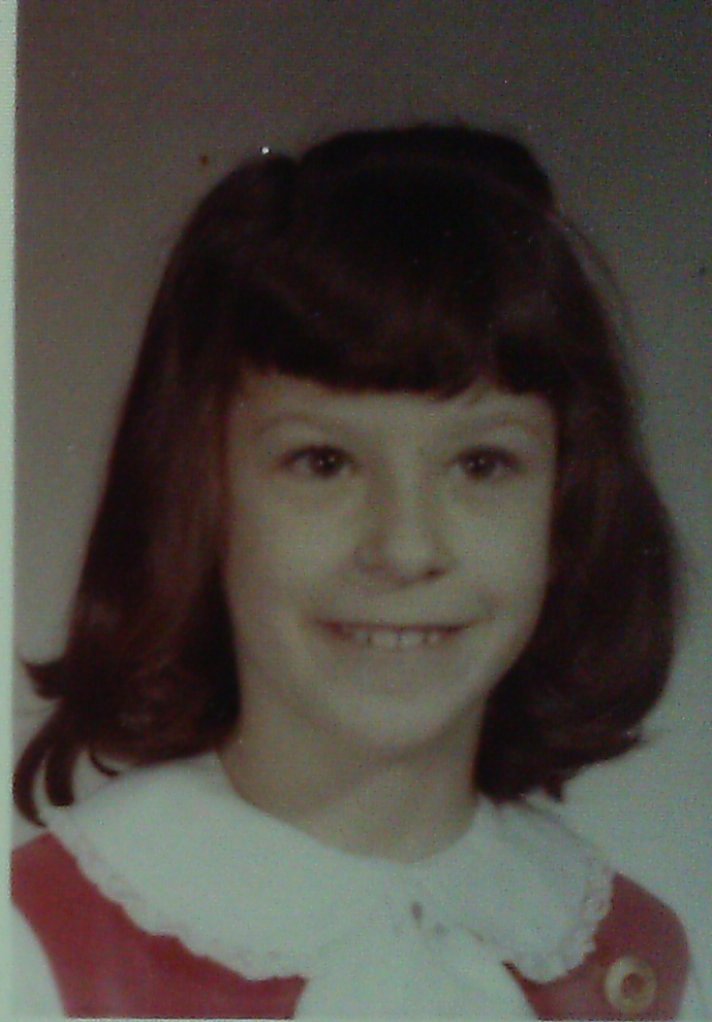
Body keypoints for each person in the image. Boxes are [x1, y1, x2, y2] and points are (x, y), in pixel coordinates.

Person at [11, 123, 707, 1019]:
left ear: (565, 511)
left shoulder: (629, 960)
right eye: (324, 463)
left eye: (482, 464)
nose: (407, 548)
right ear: (200, 495)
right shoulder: (33, 951)